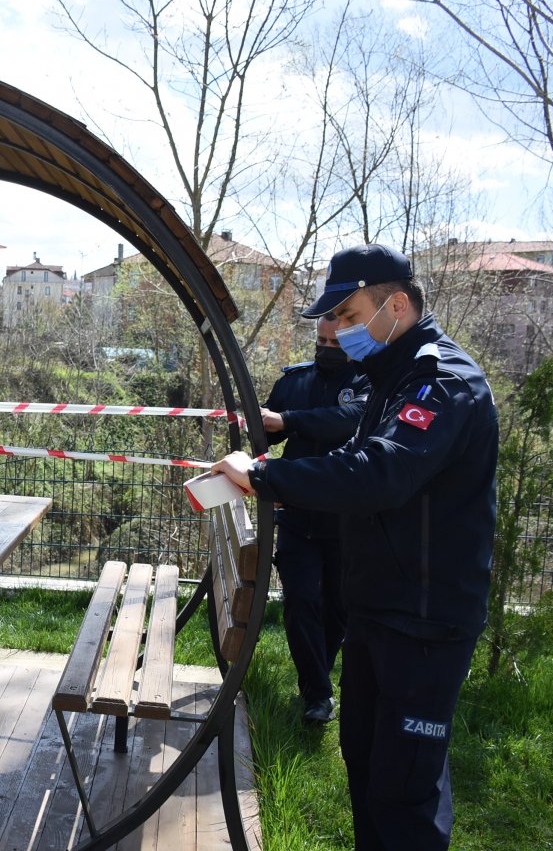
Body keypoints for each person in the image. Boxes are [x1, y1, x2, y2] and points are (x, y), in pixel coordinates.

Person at [212, 243, 497, 850]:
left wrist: (266, 477)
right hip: (378, 609)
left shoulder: (444, 381)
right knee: (367, 769)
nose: (337, 332)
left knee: (405, 792)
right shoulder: (391, 377)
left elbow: (380, 473)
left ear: (396, 304)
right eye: (332, 319)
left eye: (347, 315)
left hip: (424, 623)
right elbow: (354, 466)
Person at [262, 314, 368, 723]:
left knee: (338, 607)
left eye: (335, 343)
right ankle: (317, 695)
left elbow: (349, 421)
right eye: (320, 341)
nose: (326, 349)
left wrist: (289, 420)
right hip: (297, 514)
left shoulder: (366, 381)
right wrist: (254, 421)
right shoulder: (295, 381)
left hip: (345, 519)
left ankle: (316, 682)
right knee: (302, 599)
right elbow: (265, 431)